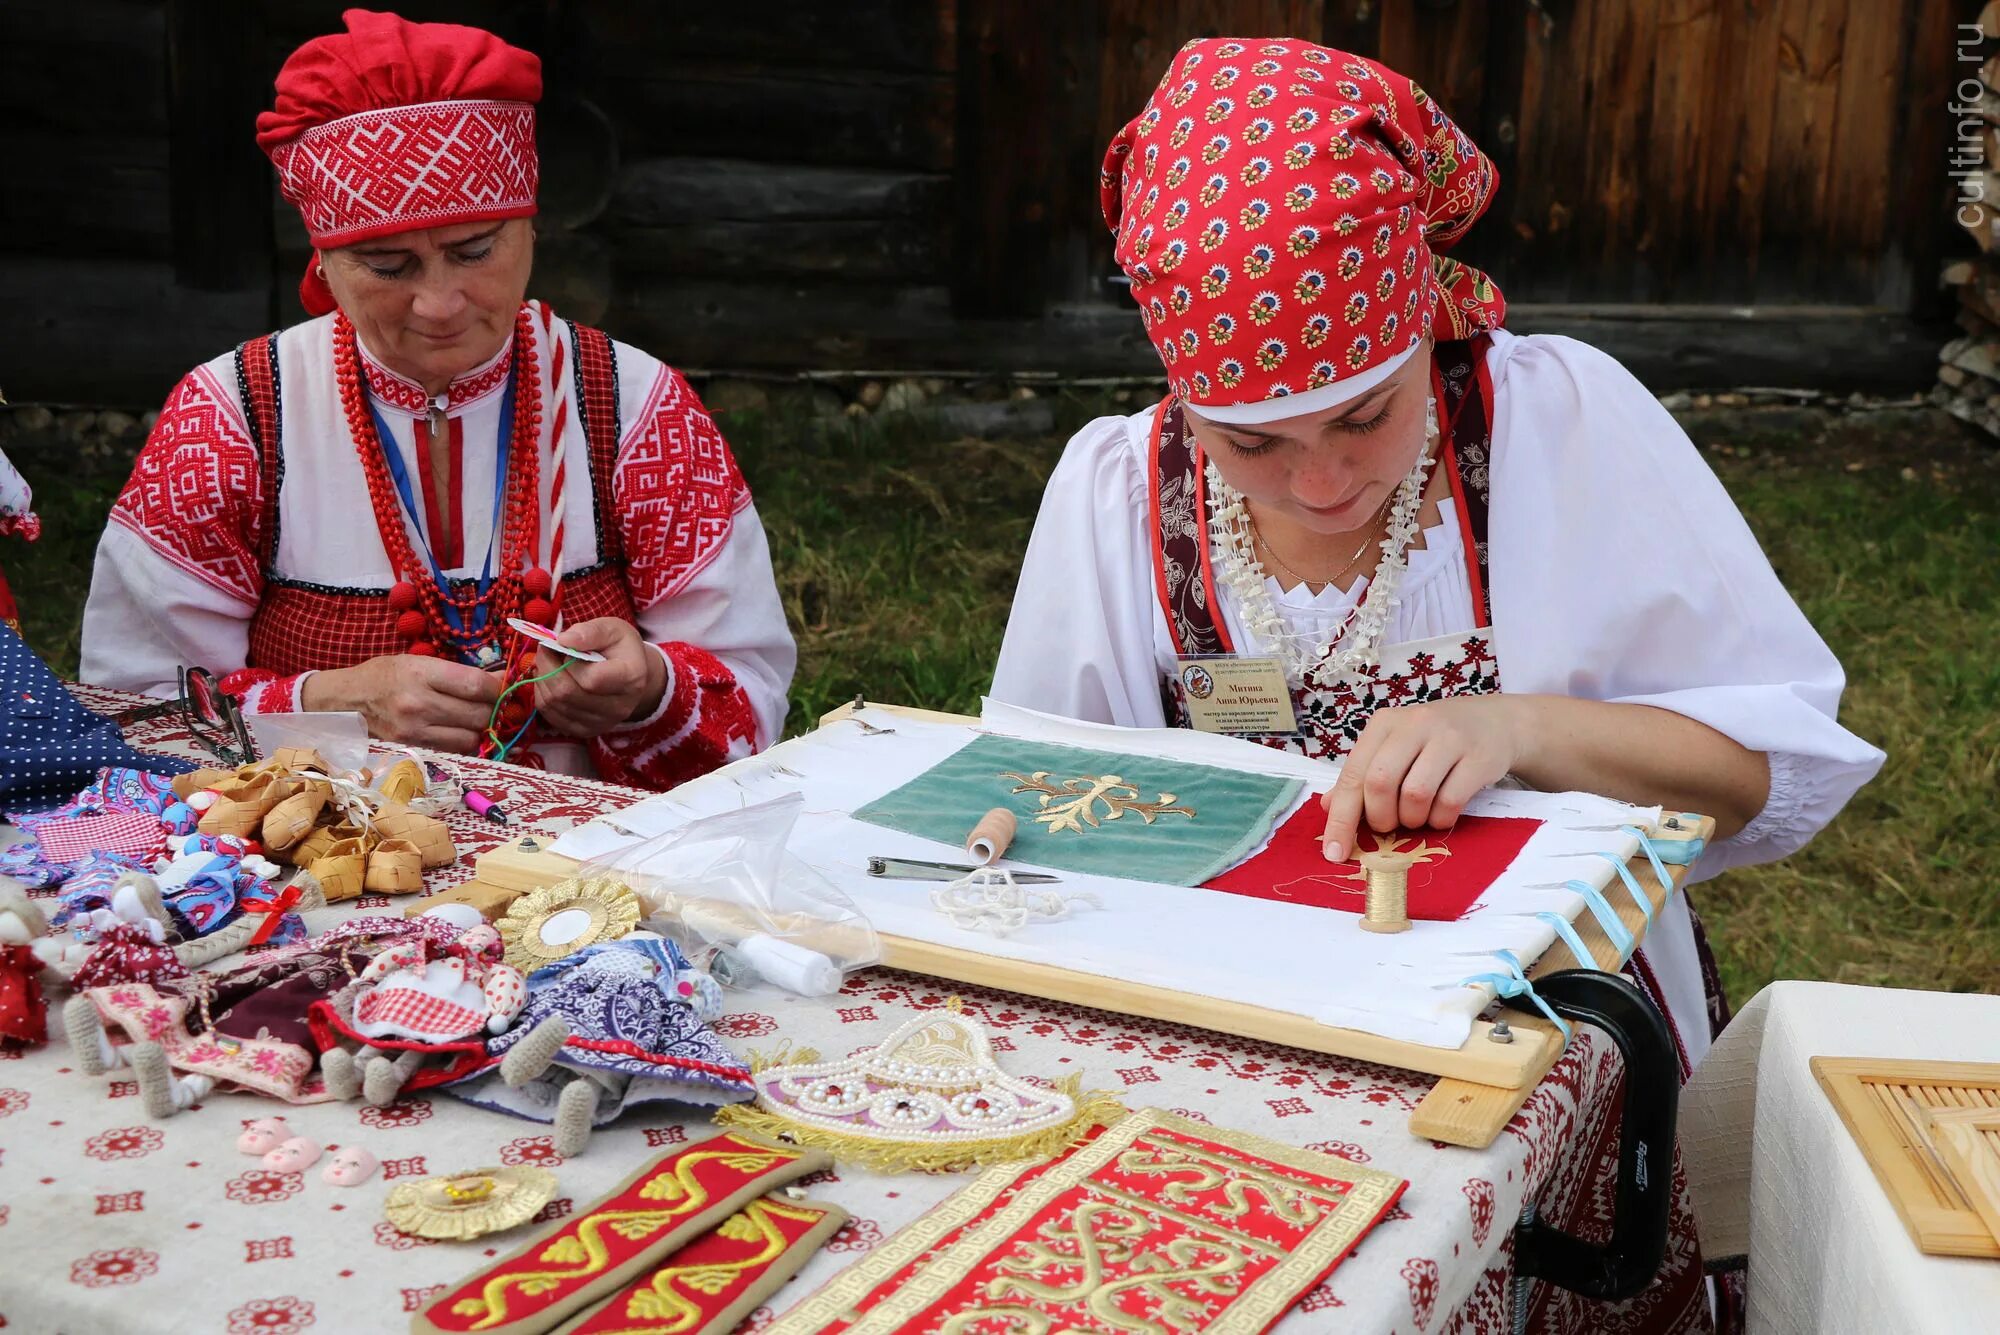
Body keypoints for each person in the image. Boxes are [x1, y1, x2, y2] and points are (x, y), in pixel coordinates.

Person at [992, 38, 1884, 1077]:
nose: (1320, 485)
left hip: (1538, 1026)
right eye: (1250, 446)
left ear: (1421, 322)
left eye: (1366, 415)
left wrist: (1512, 726)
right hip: (1228, 1030)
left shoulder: (1556, 426)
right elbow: (1034, 818)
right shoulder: (1117, 492)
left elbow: (1756, 779)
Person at [80, 9, 793, 789]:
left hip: (603, 879)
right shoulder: (234, 419)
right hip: (321, 874)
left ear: (529, 227)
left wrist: (651, 687)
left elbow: (752, 695)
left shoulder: (634, 405)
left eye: (474, 250)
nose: (440, 303)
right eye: (388, 265)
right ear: (324, 258)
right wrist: (325, 703)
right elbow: (127, 716)